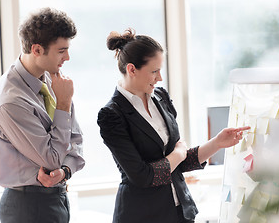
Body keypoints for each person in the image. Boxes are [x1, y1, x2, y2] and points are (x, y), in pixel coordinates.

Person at [97, 28, 249, 223]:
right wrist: (177, 154)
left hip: (180, 213)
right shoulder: (111, 115)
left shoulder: (160, 97)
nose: (160, 77)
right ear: (132, 69)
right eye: (154, 71)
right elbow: (143, 176)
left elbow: (178, 163)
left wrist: (217, 143)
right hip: (142, 216)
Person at [0, 7, 85, 223]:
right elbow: (51, 159)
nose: (67, 57)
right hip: (27, 207)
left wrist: (65, 170)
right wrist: (64, 104)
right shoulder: (10, 100)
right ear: (37, 49)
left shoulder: (53, 80)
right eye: (61, 51)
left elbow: (76, 140)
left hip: (56, 198)